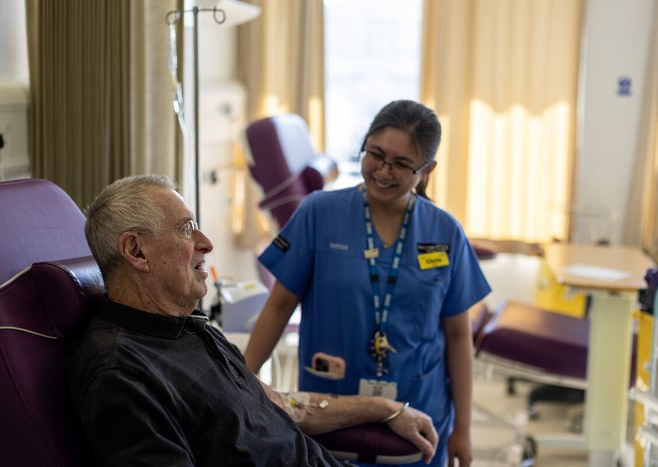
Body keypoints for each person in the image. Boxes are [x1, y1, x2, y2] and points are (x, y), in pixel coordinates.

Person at [67, 174, 438, 466]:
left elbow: (276, 404)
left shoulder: (189, 330)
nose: (206, 242)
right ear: (136, 251)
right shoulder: (121, 374)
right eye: (186, 229)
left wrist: (386, 408)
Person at [243, 100, 491, 467]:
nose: (384, 171)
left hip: (421, 411)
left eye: (402, 164)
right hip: (330, 409)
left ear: (427, 170)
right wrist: (239, 386)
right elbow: (279, 306)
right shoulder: (318, 213)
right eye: (375, 154)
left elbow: (457, 335)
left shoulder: (445, 232)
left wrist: (464, 430)